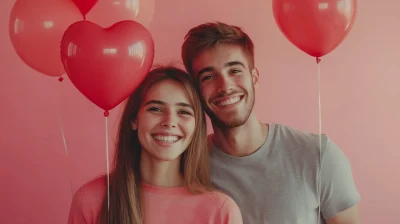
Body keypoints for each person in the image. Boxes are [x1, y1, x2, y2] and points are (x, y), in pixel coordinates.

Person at [181, 22, 361, 224]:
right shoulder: (187, 167)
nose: (225, 86)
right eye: (209, 76)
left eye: (235, 71)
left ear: (254, 77)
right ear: (196, 90)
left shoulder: (318, 155)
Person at [67, 65, 243, 224]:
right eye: (156, 109)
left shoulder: (221, 211)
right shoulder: (91, 200)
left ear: (196, 126)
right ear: (134, 119)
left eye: (183, 112)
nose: (169, 122)